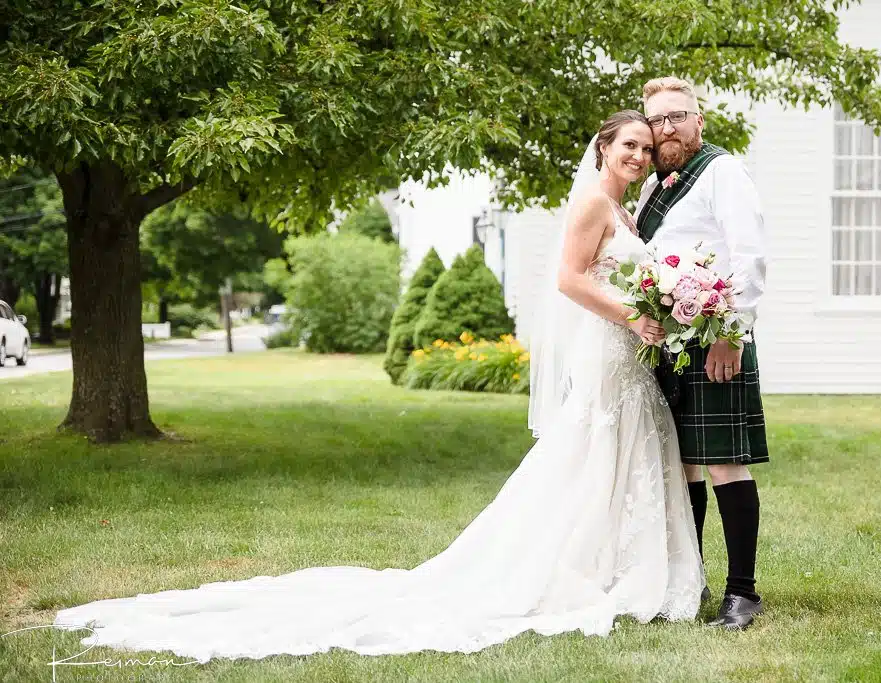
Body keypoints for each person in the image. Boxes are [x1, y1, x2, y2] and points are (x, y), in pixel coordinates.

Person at [52, 111, 705, 663]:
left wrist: (658, 307)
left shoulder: (622, 204)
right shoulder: (593, 199)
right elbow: (567, 278)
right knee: (589, 454)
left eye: (646, 150)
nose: (640, 157)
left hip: (625, 349)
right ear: (602, 148)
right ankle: (576, 570)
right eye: (630, 147)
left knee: (611, 456)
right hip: (609, 346)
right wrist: (633, 314)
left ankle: (613, 567)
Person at [634, 77, 770, 631]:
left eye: (677, 116)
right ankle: (692, 579)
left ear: (699, 120)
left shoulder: (722, 171)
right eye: (657, 121)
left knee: (721, 462)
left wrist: (730, 334)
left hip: (715, 337)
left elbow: (750, 256)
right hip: (668, 344)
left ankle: (743, 594)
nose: (667, 129)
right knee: (681, 463)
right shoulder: (650, 188)